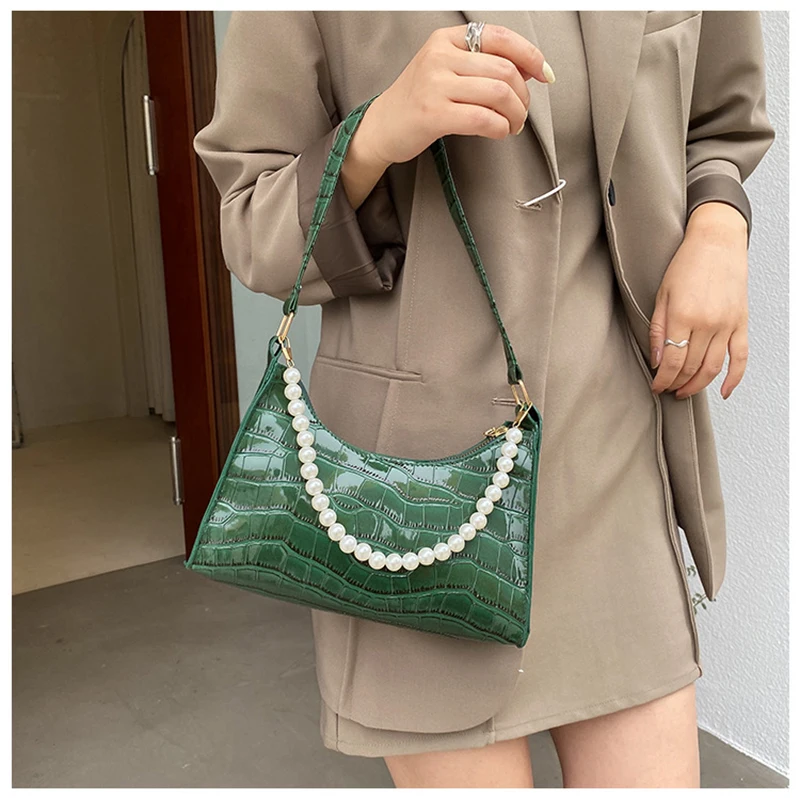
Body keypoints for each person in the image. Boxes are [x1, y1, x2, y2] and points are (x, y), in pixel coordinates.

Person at [193, 11, 774, 788]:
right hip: (409, 509)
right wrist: (376, 135)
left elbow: (721, 123)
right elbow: (252, 229)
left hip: (616, 467)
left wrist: (718, 231)